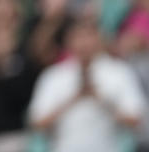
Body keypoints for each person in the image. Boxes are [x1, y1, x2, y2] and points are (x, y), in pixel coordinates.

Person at [28, 12, 146, 152]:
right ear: (68, 41)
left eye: (89, 36)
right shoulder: (53, 76)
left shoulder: (119, 72)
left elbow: (136, 119)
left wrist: (101, 99)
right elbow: (36, 123)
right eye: (78, 37)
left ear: (99, 38)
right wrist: (73, 98)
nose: (84, 43)